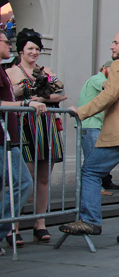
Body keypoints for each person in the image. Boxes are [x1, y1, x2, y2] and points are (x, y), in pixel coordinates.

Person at [60, 32, 119, 246]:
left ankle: (90, 220)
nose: (112, 46)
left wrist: (81, 111)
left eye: (115, 43)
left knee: (91, 171)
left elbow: (109, 96)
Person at [7, 28, 68, 245]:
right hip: (24, 126)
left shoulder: (46, 70)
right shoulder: (11, 72)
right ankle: (13, 226)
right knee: (25, 178)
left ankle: (39, 223)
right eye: (30, 48)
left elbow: (62, 93)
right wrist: (27, 95)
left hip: (46, 126)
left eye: (37, 48)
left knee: (43, 178)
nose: (34, 52)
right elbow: (8, 95)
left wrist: (40, 95)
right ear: (21, 50)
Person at [0, 30, 45, 250]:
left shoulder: (39, 71)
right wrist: (24, 103)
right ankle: (7, 228)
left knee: (23, 182)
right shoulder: (9, 70)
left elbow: (59, 90)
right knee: (22, 182)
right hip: (7, 137)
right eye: (5, 41)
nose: (8, 45)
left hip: (9, 138)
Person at [77, 61, 115, 196]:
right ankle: (93, 189)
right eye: (113, 69)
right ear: (104, 68)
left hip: (93, 125)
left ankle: (92, 188)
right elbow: (106, 85)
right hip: (90, 125)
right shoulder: (97, 79)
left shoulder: (98, 79)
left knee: (92, 160)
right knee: (93, 161)